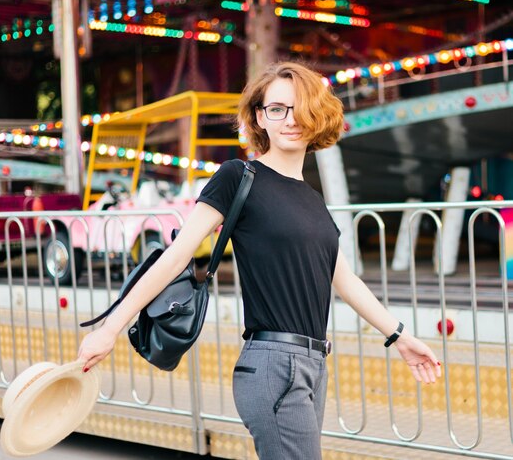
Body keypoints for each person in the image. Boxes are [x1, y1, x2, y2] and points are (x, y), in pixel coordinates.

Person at [78, 61, 442, 459]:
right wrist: (110, 328)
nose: (290, 119)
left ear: (317, 114)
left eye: (300, 107)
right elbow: (173, 258)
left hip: (312, 363)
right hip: (273, 365)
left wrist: (401, 337)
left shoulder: (312, 198)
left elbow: (343, 278)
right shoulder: (239, 176)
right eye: (276, 109)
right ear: (259, 117)